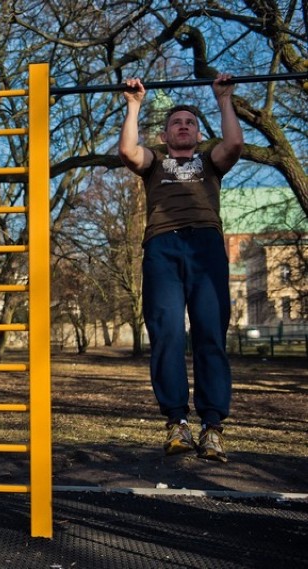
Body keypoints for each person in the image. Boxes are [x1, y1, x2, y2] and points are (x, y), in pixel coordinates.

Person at [118, 74, 243, 463]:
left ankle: (212, 428)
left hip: (205, 247)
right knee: (168, 333)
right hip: (163, 248)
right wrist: (134, 104)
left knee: (209, 335)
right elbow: (127, 152)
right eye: (177, 122)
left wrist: (224, 99)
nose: (184, 126)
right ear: (166, 133)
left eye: (190, 122)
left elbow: (235, 143)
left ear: (198, 133)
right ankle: (176, 422)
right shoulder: (155, 161)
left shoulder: (210, 162)